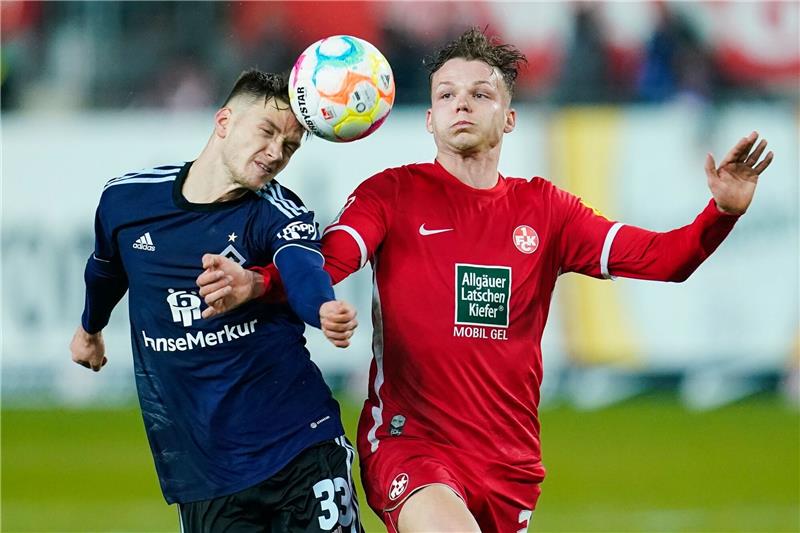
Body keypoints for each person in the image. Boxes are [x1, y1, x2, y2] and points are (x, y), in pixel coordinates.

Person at [196, 29, 774, 532]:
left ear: (510, 116)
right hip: (408, 444)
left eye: (480, 94)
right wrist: (259, 283)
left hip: (509, 461)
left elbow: (663, 259)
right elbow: (331, 256)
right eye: (446, 95)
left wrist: (719, 213)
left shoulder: (546, 210)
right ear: (429, 118)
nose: (461, 105)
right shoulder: (390, 194)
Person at [70, 69, 363, 533]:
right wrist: (90, 328)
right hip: (204, 468)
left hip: (300, 444)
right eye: (267, 132)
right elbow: (106, 268)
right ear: (224, 120)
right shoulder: (126, 200)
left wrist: (322, 308)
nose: (275, 154)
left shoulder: (279, 211)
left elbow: (304, 271)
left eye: (290, 146)